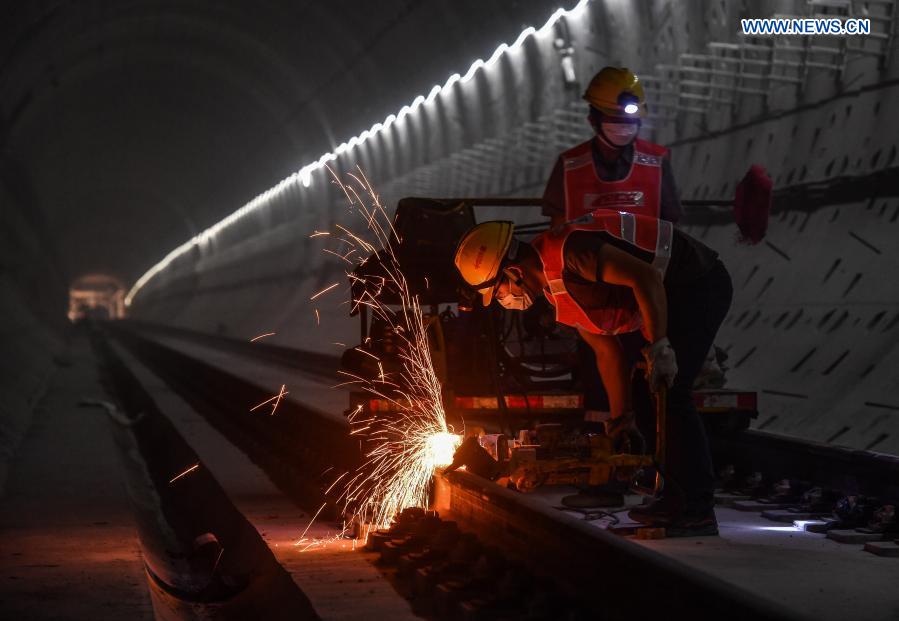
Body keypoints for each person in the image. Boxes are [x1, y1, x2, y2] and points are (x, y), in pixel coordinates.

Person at [453, 210, 732, 536]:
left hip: (696, 283)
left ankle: (697, 509)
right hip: (671, 293)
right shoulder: (556, 293)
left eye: (498, 292)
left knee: (671, 393)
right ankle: (673, 498)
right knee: (645, 393)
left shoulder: (571, 253)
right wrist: (620, 421)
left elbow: (645, 277)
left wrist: (660, 347)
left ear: (513, 272)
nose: (503, 301)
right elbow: (606, 351)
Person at [543, 66, 682, 227]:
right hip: (586, 244)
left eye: (630, 120)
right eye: (614, 118)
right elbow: (558, 226)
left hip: (644, 245)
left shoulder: (657, 161)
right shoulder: (569, 165)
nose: (623, 126)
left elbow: (671, 225)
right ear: (593, 120)